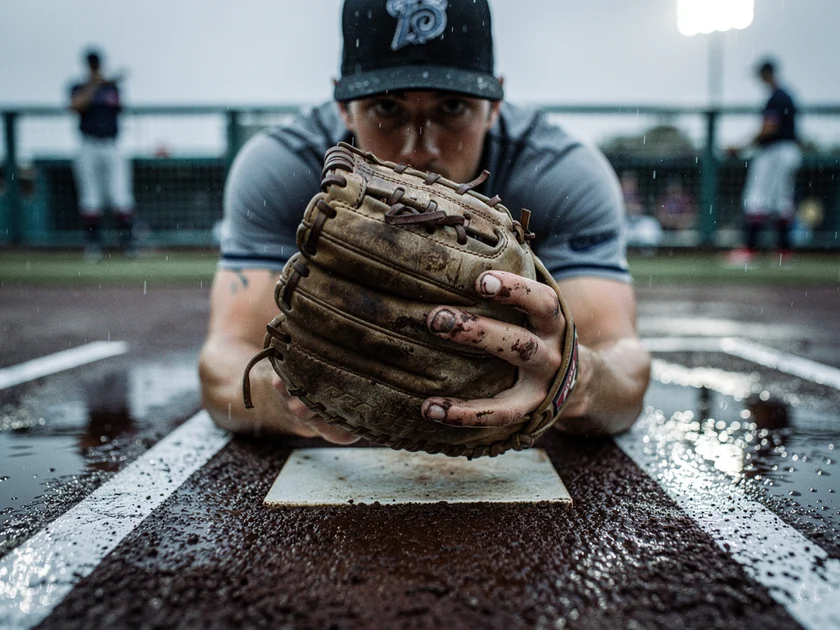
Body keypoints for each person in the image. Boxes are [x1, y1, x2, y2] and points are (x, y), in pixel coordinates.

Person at [199, 0, 651, 443]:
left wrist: (577, 377)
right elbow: (224, 361)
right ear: (342, 105)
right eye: (386, 108)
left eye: (452, 108)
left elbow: (625, 370)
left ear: (495, 103)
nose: (421, 147)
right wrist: (286, 399)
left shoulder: (562, 175)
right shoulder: (283, 166)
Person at [727, 58, 802, 266]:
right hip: (787, 151)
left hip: (775, 152)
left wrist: (741, 146)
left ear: (766, 73)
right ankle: (783, 252)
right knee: (781, 202)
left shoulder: (777, 97)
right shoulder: (785, 95)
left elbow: (770, 127)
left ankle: (749, 249)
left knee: (757, 199)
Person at [68, 48, 136, 261]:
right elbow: (75, 106)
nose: (95, 68)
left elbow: (120, 109)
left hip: (112, 144)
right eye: (92, 64)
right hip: (88, 144)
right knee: (90, 197)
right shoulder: (79, 86)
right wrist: (94, 84)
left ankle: (127, 244)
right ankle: (94, 247)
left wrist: (108, 82)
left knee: (120, 195)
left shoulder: (111, 87)